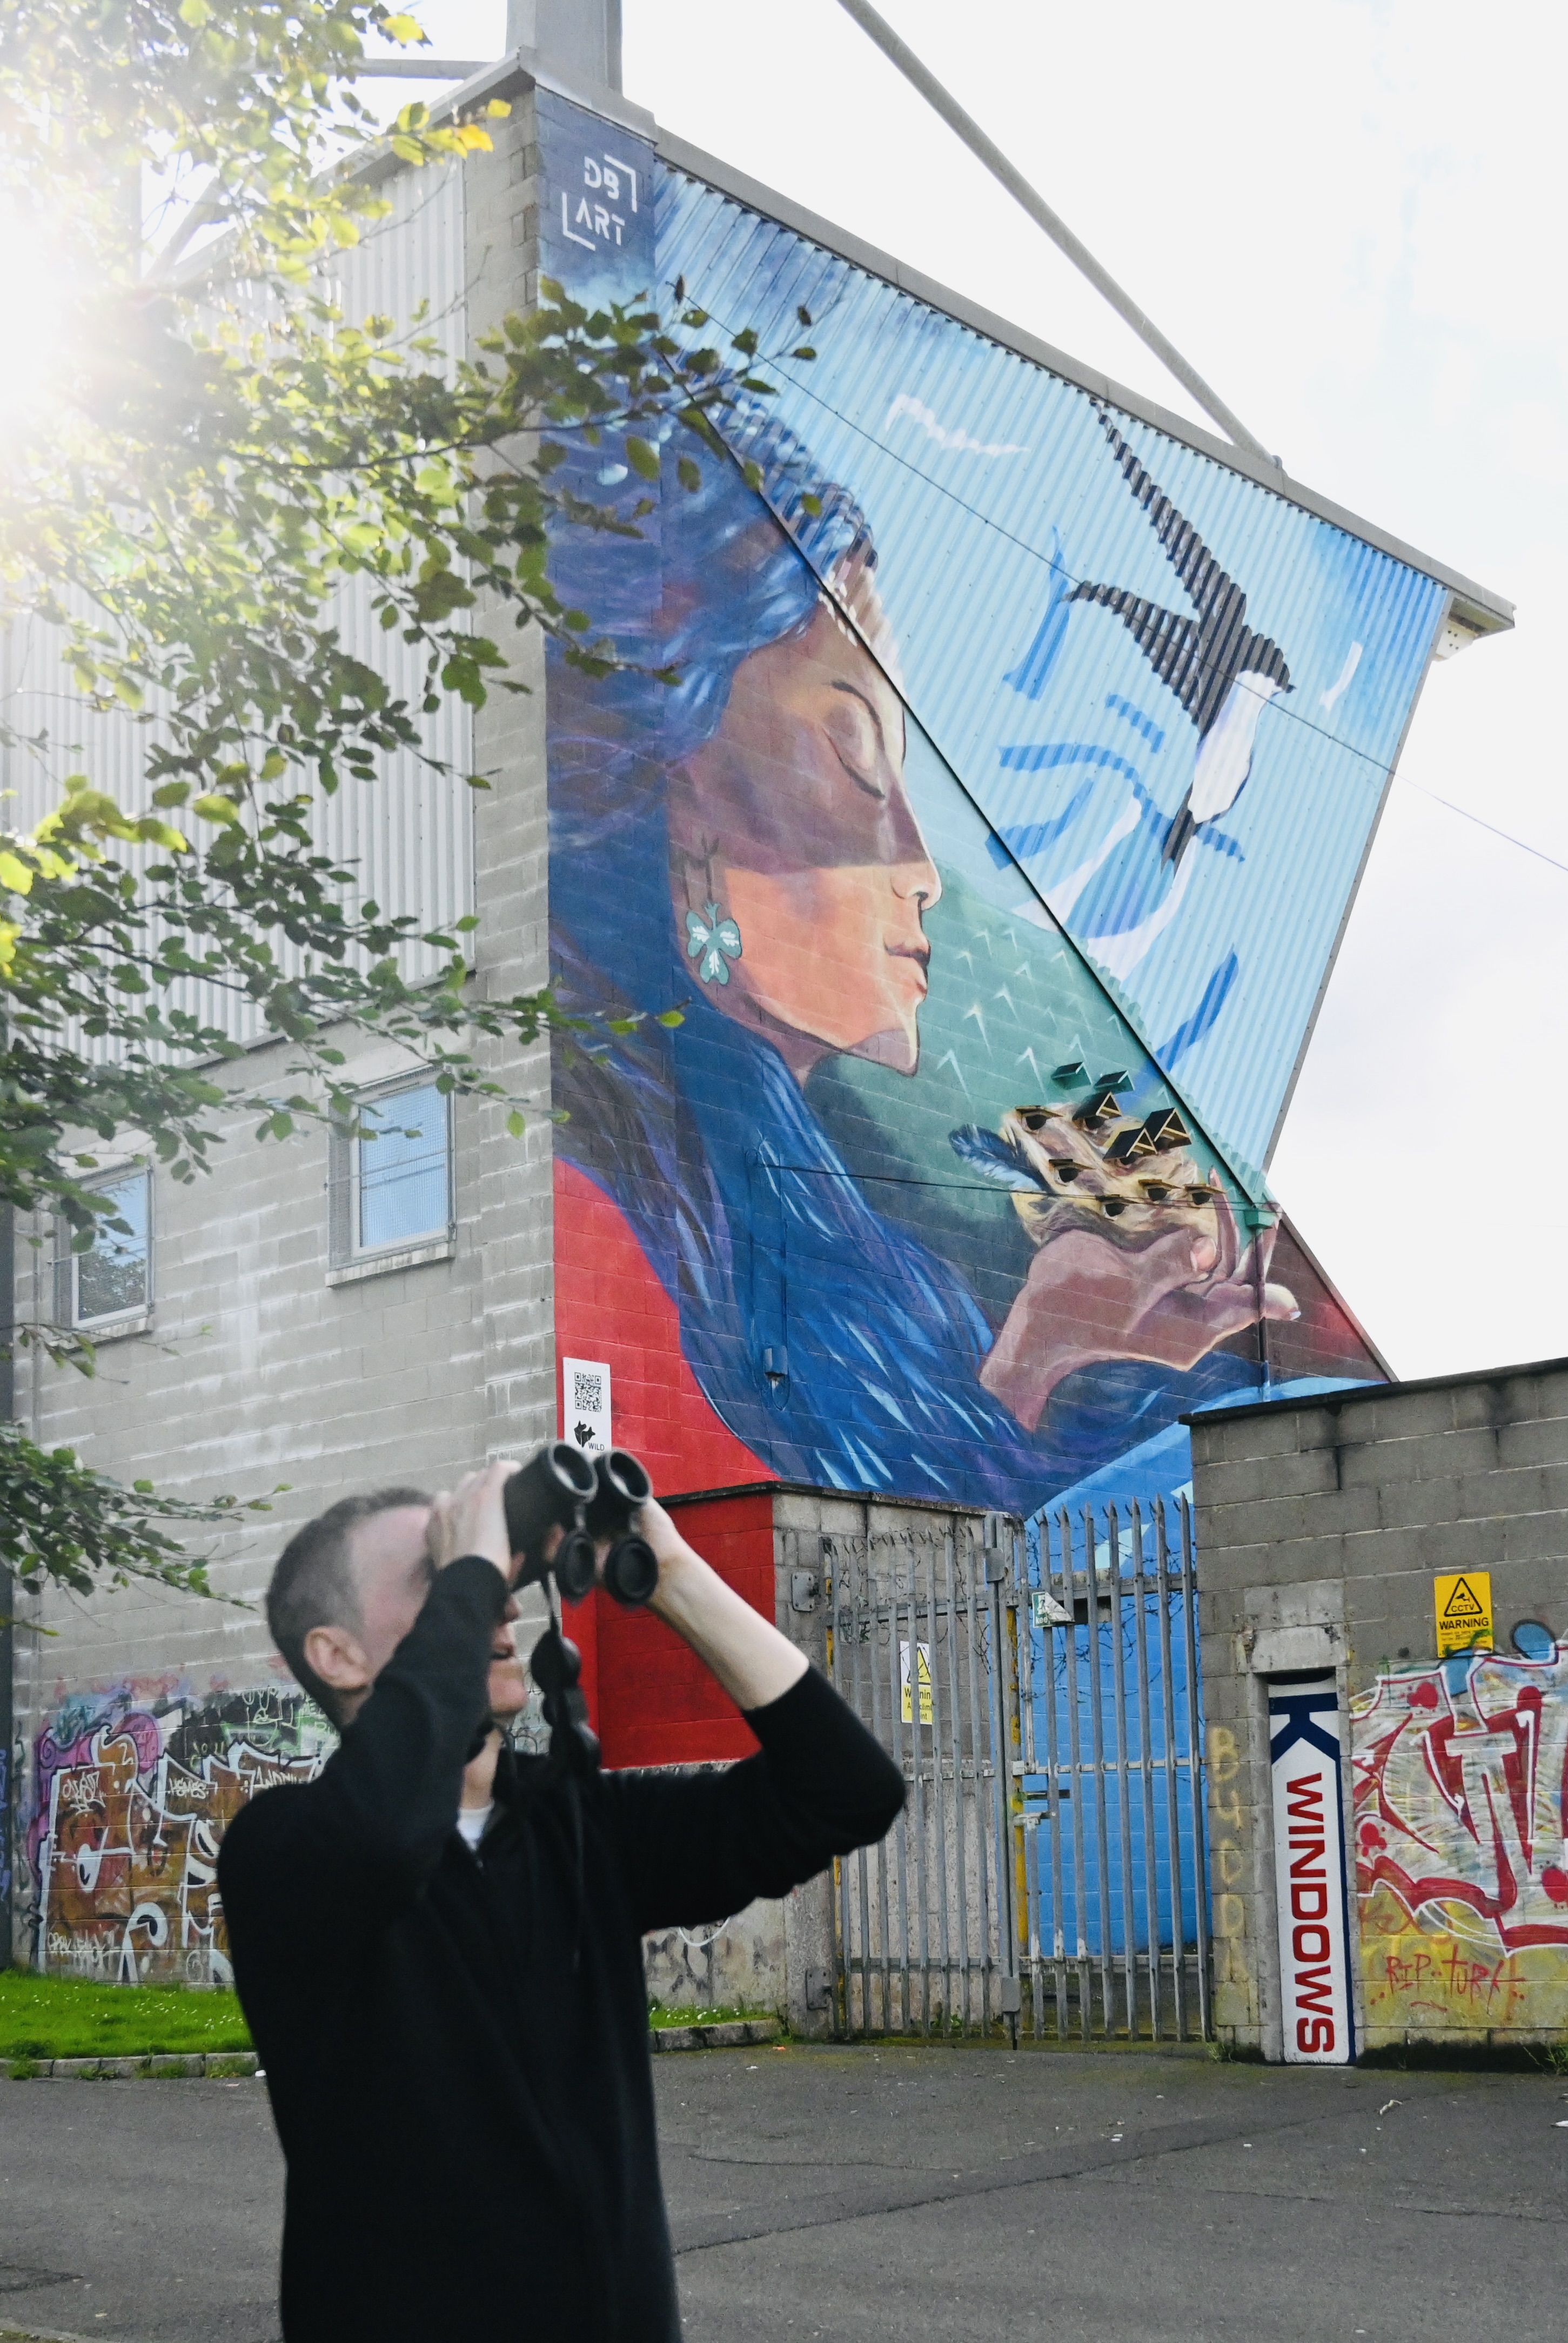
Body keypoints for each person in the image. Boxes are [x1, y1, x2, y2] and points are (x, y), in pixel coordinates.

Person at [548, 404, 1294, 1516]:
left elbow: (946, 1532)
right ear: (683, 810)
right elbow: (856, 1542)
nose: (922, 865)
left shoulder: (804, 1193)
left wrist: (1045, 1346)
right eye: (855, 760)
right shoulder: (621, 1200)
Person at [217, 1461, 904, 2343]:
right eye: (445, 1575)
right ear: (337, 1654)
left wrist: (675, 1574)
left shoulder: (581, 1828)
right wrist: (471, 1569)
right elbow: (384, 1839)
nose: (501, 1602)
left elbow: (847, 1792)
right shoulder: (284, 1850)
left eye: (499, 1574)